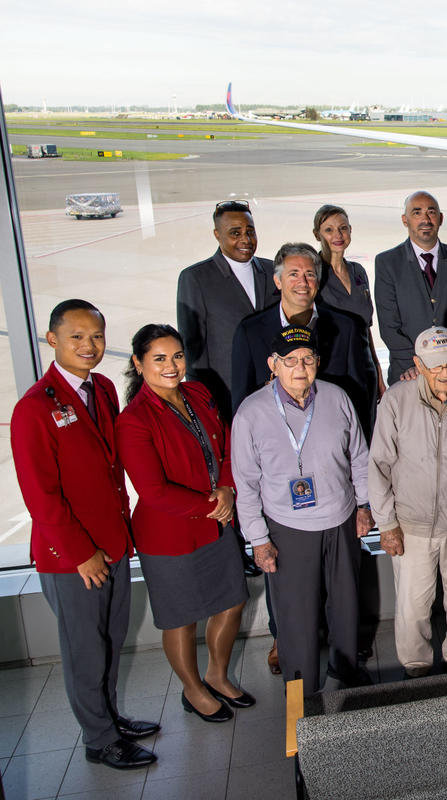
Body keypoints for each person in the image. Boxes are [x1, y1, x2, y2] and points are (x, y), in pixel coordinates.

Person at [10, 300, 158, 769]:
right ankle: (99, 740)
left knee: (110, 641)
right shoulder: (34, 408)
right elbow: (41, 496)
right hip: (73, 557)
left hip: (111, 544)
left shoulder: (104, 389)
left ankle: (109, 716)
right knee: (85, 651)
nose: (89, 345)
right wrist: (80, 553)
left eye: (97, 335)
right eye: (76, 336)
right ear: (52, 339)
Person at [116, 325, 252, 723]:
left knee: (232, 600)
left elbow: (226, 444)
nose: (172, 366)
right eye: (159, 358)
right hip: (170, 534)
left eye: (176, 356)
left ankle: (217, 675)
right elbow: (154, 491)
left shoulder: (197, 393)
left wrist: (227, 487)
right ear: (139, 364)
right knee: (181, 618)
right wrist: (213, 505)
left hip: (217, 521)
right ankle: (193, 691)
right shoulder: (134, 420)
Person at [232, 326, 373, 695]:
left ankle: (346, 674)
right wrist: (258, 540)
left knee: (345, 605)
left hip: (340, 518)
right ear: (273, 365)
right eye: (290, 360)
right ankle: (302, 691)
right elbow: (245, 484)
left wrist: (363, 504)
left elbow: (359, 456)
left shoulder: (337, 397)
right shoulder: (251, 412)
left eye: (308, 359)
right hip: (287, 528)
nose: (300, 367)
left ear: (318, 362)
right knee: (297, 616)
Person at [369, 327, 447, 676]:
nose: (445, 374)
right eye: (436, 367)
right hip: (410, 525)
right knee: (413, 605)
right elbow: (378, 466)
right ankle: (416, 667)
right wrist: (387, 524)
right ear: (418, 365)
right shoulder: (395, 401)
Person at [231, 242, 377, 440]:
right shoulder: (250, 332)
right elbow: (242, 403)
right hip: (275, 447)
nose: (303, 282)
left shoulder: (347, 328)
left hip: (331, 447)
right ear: (278, 281)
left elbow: (362, 398)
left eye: (309, 274)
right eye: (293, 274)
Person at [177, 200, 278, 422]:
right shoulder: (196, 278)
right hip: (227, 398)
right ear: (217, 234)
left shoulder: (273, 271)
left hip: (275, 393)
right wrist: (203, 403)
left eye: (250, 231)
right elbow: (193, 349)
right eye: (235, 233)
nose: (245, 240)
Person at [374, 191, 447, 382]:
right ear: (405, 220)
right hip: (409, 372)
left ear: (440, 218)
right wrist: (414, 365)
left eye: (431, 212)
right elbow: (389, 325)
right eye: (417, 213)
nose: (425, 219)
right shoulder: (387, 262)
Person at [313, 204, 386, 399]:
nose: (337, 235)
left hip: (364, 366)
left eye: (343, 228)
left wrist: (378, 371)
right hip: (333, 370)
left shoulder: (358, 272)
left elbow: (366, 328)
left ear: (350, 231)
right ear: (317, 234)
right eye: (329, 230)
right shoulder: (313, 275)